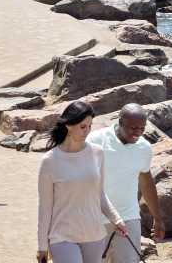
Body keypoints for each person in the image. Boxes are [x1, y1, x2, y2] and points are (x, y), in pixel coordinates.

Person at [37, 101, 128, 263]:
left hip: (94, 234)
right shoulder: (50, 161)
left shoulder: (97, 153)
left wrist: (117, 219)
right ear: (68, 125)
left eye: (89, 126)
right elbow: (45, 208)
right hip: (62, 236)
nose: (87, 131)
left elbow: (99, 194)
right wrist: (42, 246)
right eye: (82, 126)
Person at [87, 104, 166, 261]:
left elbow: (146, 182)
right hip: (95, 217)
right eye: (133, 128)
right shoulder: (96, 140)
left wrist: (157, 218)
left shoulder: (144, 147)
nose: (138, 133)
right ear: (120, 122)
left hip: (128, 216)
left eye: (142, 128)